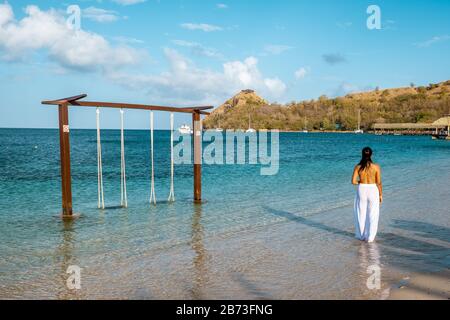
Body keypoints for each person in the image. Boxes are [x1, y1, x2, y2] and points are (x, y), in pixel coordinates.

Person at [351, 147, 382, 242]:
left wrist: (361, 181)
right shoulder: (376, 167)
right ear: (371, 155)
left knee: (361, 213)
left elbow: (353, 181)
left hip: (362, 188)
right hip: (373, 189)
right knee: (373, 213)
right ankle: (370, 237)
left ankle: (361, 236)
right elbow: (379, 182)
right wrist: (380, 194)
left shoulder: (358, 167)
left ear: (362, 154)